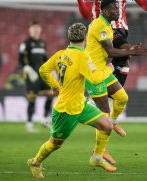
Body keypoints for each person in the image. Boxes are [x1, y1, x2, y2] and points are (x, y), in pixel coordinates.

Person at [27, 23, 115, 178]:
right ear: (86, 38)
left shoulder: (61, 54)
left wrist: (55, 86)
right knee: (55, 143)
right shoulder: (82, 56)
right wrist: (109, 68)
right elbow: (95, 79)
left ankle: (97, 157)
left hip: (80, 104)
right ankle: (35, 162)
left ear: (69, 38)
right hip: (66, 109)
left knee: (107, 125)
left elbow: (43, 70)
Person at [84, 0, 147, 167]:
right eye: (114, 9)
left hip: (103, 71)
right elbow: (111, 50)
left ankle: (112, 124)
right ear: (105, 10)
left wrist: (131, 49)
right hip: (93, 73)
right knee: (104, 115)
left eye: (118, 8)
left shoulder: (107, 25)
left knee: (122, 98)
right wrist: (133, 53)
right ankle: (97, 155)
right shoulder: (99, 25)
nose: (117, 11)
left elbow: (117, 45)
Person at [19, 21, 55, 132]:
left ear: (40, 30)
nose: (36, 30)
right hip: (31, 75)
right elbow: (21, 59)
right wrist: (29, 70)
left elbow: (45, 59)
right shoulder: (25, 43)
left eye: (37, 28)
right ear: (30, 30)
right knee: (32, 98)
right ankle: (29, 123)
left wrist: (51, 70)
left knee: (50, 94)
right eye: (33, 28)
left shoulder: (42, 43)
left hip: (42, 74)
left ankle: (45, 119)